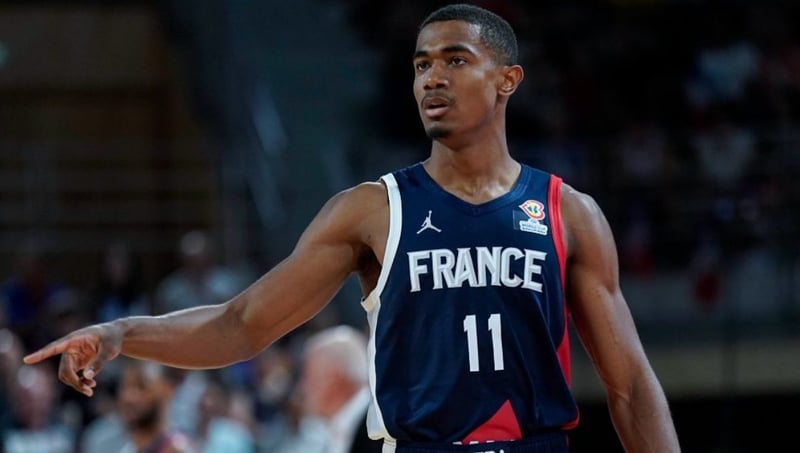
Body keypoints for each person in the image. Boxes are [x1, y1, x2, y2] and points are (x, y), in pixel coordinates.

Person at [24, 4, 680, 452]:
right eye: (421, 64)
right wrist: (122, 333)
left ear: (507, 79)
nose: (432, 77)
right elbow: (241, 323)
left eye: (455, 60)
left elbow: (629, 385)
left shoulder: (569, 211)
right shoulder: (372, 209)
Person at [273, 325, 380, 453]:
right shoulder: (334, 429)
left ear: (334, 376)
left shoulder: (380, 424)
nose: (302, 387)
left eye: (308, 375)